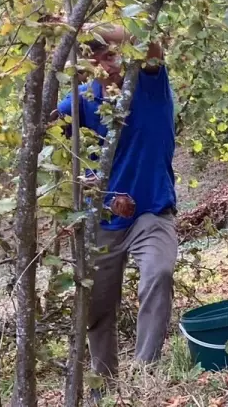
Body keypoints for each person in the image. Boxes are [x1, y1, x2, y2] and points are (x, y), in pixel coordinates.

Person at [56, 25, 178, 382]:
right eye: (94, 59)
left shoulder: (148, 84)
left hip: (151, 209)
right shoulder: (81, 98)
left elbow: (151, 43)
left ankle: (145, 374)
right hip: (104, 217)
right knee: (96, 308)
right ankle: (103, 384)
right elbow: (43, 125)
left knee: (159, 271)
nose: (104, 66)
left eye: (109, 55)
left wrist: (81, 26)